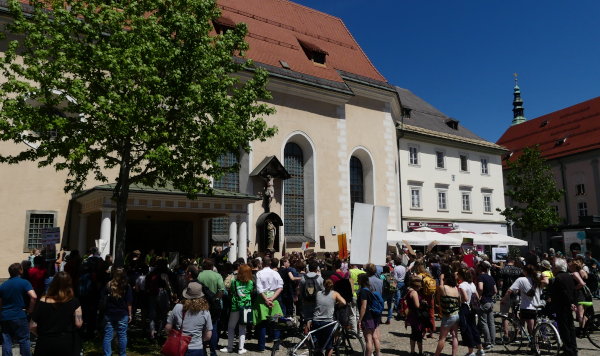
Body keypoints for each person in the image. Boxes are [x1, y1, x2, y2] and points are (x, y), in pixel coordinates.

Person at [30, 272, 83, 356]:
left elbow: (32, 326)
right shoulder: (74, 302)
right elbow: (78, 323)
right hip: (66, 342)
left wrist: (42, 334)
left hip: (45, 342)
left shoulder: (43, 301)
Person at [165, 281, 213, 356]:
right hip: (197, 349)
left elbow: (168, 328)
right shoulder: (205, 312)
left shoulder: (177, 307)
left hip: (178, 347)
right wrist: (199, 340)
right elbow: (208, 336)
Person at [0, 263, 37, 356]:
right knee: (23, 339)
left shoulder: (3, 285)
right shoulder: (24, 282)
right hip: (19, 315)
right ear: (20, 271)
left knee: (6, 340)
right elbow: (34, 296)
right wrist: (30, 310)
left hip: (5, 316)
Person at [502, 264, 543, 337]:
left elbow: (509, 291)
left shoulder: (521, 279)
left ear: (525, 271)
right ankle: (535, 340)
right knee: (534, 327)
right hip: (538, 306)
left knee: (526, 325)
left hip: (527, 307)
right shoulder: (537, 280)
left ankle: (531, 341)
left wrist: (504, 299)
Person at [221, 264, 254, 354]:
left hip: (235, 306)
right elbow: (250, 291)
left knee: (231, 327)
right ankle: (240, 348)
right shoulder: (250, 282)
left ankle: (230, 347)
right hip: (246, 307)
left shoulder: (234, 282)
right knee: (242, 328)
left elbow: (231, 291)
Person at [310, 279, 346, 356]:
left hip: (316, 320)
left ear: (323, 285)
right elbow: (344, 302)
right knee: (329, 346)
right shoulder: (334, 294)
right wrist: (336, 305)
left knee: (319, 344)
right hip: (328, 322)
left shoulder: (318, 293)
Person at [254, 256, 283, 352]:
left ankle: (261, 346)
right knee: (275, 323)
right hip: (273, 298)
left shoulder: (259, 273)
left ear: (262, 263)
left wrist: (266, 300)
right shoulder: (275, 273)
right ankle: (276, 345)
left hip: (263, 299)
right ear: (270, 263)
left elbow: (259, 289)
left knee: (262, 324)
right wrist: (272, 298)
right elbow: (280, 287)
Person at [101, 267, 133, 356]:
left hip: (109, 313)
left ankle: (107, 354)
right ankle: (122, 354)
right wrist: (130, 314)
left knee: (108, 336)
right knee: (122, 335)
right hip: (122, 314)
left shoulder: (108, 285)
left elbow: (103, 299)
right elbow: (129, 302)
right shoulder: (126, 286)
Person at [550, 258, 578, 356]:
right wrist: (573, 303)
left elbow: (563, 293)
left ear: (557, 267)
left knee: (564, 329)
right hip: (568, 305)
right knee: (570, 328)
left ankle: (568, 350)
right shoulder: (569, 276)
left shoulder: (558, 278)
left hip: (562, 306)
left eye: (553, 266)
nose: (552, 268)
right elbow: (573, 291)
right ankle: (573, 349)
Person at [197, 259, 224, 356]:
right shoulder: (217, 276)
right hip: (214, 305)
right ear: (212, 266)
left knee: (202, 327)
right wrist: (216, 300)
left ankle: (203, 349)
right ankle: (213, 350)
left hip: (201, 303)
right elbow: (221, 290)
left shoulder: (199, 275)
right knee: (213, 327)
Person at [457, 268, 484, 356]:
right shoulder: (472, 284)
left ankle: (471, 351)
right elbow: (477, 295)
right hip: (473, 308)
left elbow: (465, 298)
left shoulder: (461, 285)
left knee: (467, 329)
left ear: (461, 275)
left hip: (465, 308)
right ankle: (480, 349)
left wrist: (459, 300)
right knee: (474, 327)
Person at [433, 268, 460, 356]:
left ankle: (436, 355)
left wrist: (441, 279)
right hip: (456, 314)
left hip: (448, 316)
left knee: (442, 338)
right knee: (455, 336)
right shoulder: (456, 288)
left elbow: (438, 295)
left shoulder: (443, 288)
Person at [357, 274, 381, 356]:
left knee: (368, 339)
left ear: (361, 281)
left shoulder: (363, 291)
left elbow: (363, 306)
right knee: (375, 337)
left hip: (367, 317)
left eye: (358, 279)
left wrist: (360, 319)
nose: (357, 281)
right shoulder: (369, 290)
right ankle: (378, 354)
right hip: (374, 317)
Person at [476, 262, 496, 350]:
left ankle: (487, 342)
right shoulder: (490, 277)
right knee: (491, 323)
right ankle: (493, 341)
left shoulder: (480, 277)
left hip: (484, 301)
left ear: (480, 268)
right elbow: (495, 290)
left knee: (483, 322)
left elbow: (480, 288)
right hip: (490, 301)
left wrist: (479, 296)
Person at [405, 276, 426, 356]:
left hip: (411, 315)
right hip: (416, 316)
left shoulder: (408, 291)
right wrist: (423, 303)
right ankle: (420, 352)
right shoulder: (414, 292)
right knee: (418, 335)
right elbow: (417, 305)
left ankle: (412, 351)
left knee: (413, 334)